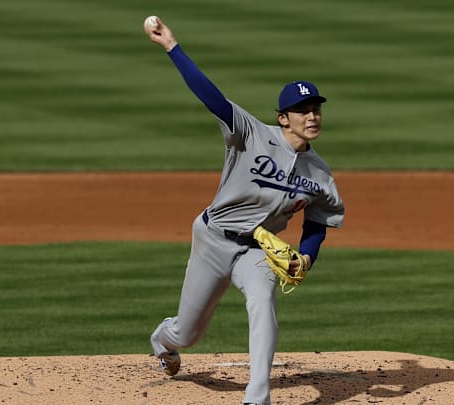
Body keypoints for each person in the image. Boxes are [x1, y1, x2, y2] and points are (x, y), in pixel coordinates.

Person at [144, 17, 345, 405]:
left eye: (316, 108)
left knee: (263, 297)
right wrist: (172, 47)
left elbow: (318, 220)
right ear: (283, 117)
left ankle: (257, 397)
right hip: (213, 239)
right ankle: (162, 339)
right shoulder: (250, 132)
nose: (312, 115)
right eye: (302, 109)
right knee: (189, 332)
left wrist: (307, 255)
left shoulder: (319, 173)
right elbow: (212, 97)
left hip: (256, 249)